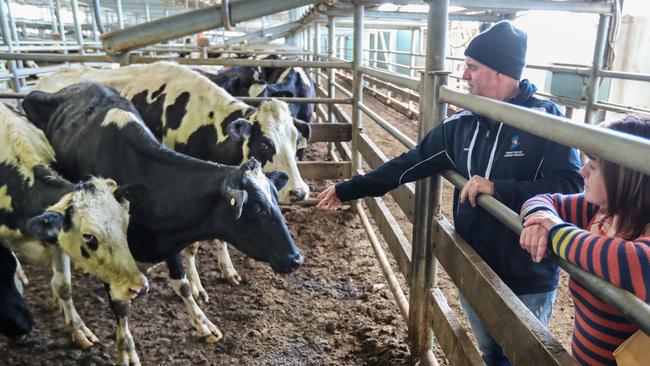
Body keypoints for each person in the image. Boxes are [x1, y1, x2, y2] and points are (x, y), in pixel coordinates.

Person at [316, 21, 583, 366]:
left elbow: (571, 187)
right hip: (475, 266)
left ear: (502, 73)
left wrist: (498, 189)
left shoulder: (545, 122)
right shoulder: (462, 124)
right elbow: (408, 164)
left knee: (521, 359)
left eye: (473, 67)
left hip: (526, 274)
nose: (464, 75)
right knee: (490, 353)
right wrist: (348, 188)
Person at [520, 115, 650, 365]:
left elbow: (632, 262)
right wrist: (539, 218)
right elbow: (544, 200)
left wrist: (556, 232)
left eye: (594, 165)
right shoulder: (602, 211)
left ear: (624, 174)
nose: (582, 171)